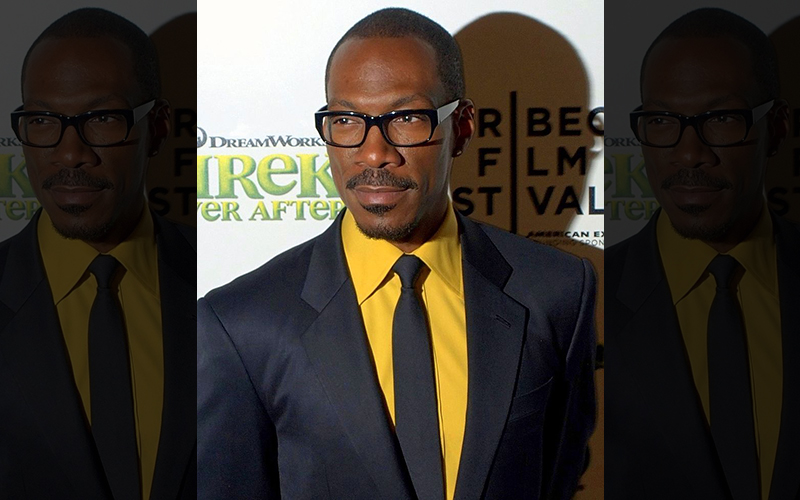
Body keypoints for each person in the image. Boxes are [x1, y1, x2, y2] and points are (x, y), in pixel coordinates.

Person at [198, 7, 596, 500]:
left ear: (463, 127)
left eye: (406, 118)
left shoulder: (558, 291)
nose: (373, 153)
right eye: (346, 120)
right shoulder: (241, 324)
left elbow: (557, 475)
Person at [0, 8, 196, 500]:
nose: (70, 154)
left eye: (102, 119)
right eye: (42, 120)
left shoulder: (221, 289)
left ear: (158, 127)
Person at [606, 8, 798, 500]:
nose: (689, 153)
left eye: (721, 119)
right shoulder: (584, 305)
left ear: (777, 127)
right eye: (661, 121)